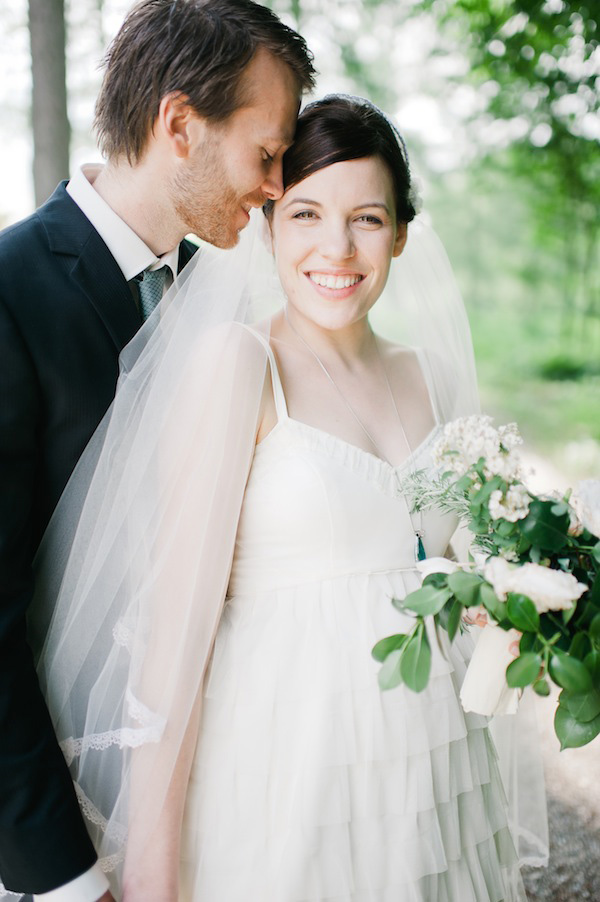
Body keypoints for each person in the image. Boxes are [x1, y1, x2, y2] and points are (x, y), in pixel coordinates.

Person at [25, 96, 544, 902]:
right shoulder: (237, 364)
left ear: (401, 234)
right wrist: (154, 871)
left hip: (433, 775)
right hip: (284, 787)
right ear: (270, 227)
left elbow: (452, 578)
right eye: (305, 212)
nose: (336, 247)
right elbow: (174, 638)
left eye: (367, 218)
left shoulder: (430, 377)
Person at [0, 0, 314, 898]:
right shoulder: (9, 291)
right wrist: (64, 877)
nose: (275, 185)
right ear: (181, 124)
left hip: (209, 805)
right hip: (59, 835)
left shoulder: (223, 301)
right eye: (267, 152)